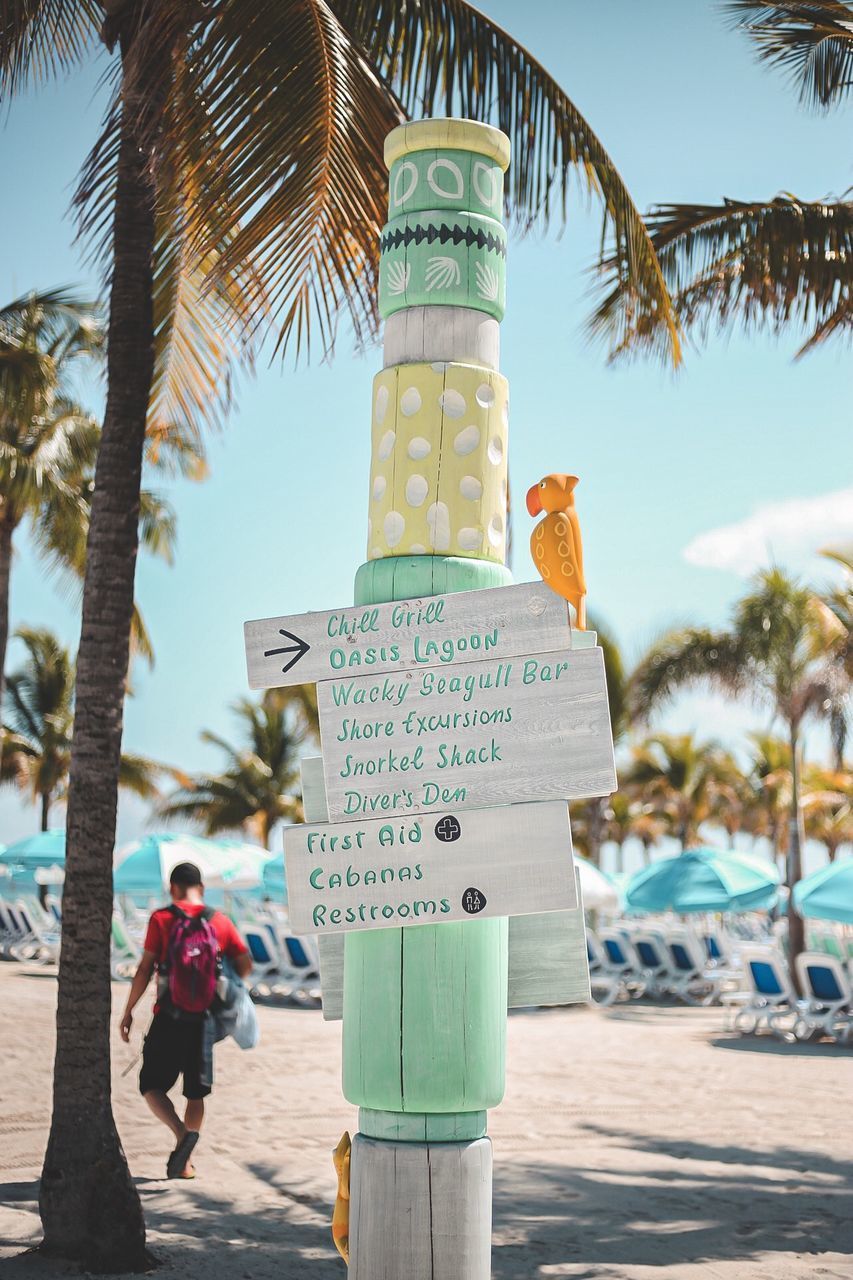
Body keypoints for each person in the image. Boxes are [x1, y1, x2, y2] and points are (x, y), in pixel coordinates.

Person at [119, 861, 252, 1179]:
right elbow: (244, 963)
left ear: (173, 888)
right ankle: (187, 1162)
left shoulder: (162, 919)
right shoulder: (218, 921)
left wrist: (128, 1011)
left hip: (167, 1016)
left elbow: (144, 969)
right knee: (196, 1093)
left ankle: (181, 1135)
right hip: (203, 1020)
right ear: (201, 889)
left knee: (151, 1085)